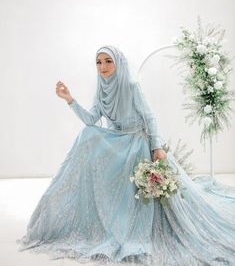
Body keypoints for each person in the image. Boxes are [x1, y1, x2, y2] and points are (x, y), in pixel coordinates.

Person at [16, 45, 235, 266]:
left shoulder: (131, 86)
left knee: (138, 183)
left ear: (118, 63)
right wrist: (70, 100)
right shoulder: (101, 88)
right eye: (99, 62)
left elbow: (150, 117)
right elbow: (92, 120)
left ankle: (130, 224)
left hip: (137, 142)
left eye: (108, 61)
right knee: (88, 134)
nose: (103, 67)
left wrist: (156, 147)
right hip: (117, 141)